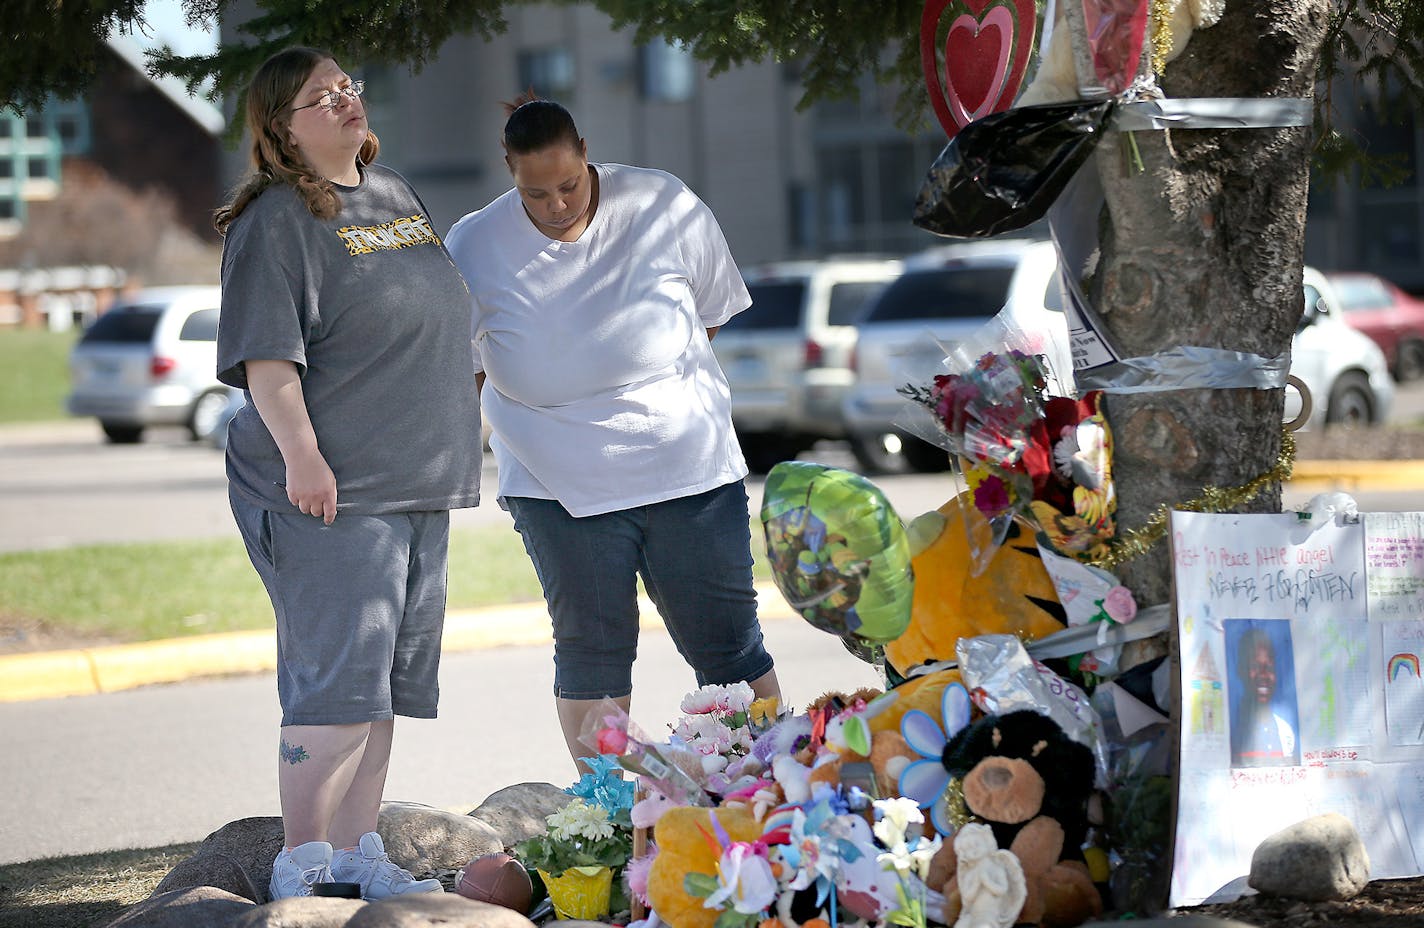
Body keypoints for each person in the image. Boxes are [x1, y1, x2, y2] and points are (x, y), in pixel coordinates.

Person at [213, 47, 482, 901]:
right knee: (334, 686)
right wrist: (303, 459)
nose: (343, 103)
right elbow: (267, 358)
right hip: (333, 493)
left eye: (346, 89)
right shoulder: (276, 221)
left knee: (384, 688)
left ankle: (360, 851)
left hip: (414, 485)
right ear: (281, 130)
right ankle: (303, 862)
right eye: (319, 99)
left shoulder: (394, 191)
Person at [444, 96, 780, 767]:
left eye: (568, 185)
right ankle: (609, 815)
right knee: (591, 651)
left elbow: (708, 313)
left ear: (587, 152)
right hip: (554, 479)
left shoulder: (663, 204)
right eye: (535, 193)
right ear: (508, 171)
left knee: (726, 645)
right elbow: (462, 367)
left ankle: (766, 787)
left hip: (686, 465)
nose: (557, 204)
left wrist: (636, 381)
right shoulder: (474, 244)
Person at [1230, 626, 1298, 767]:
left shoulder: (1285, 730)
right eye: (1255, 666)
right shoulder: (1232, 728)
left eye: (1270, 667)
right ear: (1240, 670)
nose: (1263, 675)